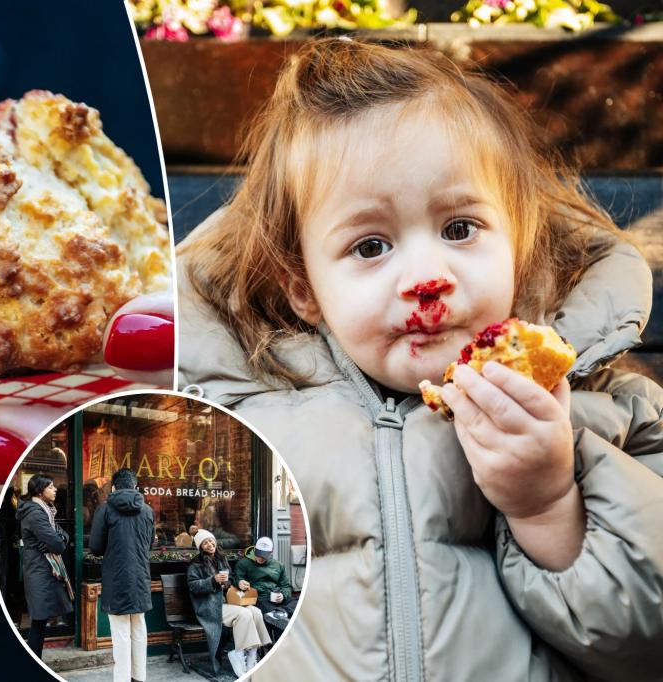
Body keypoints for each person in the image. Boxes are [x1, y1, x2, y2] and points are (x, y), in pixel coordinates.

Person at [177, 37, 663, 680]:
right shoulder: (241, 417)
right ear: (304, 288)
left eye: (459, 229)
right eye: (371, 245)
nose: (426, 276)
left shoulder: (612, 408)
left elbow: (645, 644)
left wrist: (546, 502)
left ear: (519, 243)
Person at [89, 468, 156, 682]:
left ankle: (122, 679)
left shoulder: (105, 510)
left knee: (120, 634)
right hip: (140, 577)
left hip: (116, 577)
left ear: (115, 486)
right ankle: (140, 677)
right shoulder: (147, 511)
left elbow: (96, 547)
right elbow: (150, 543)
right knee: (139, 630)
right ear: (135, 486)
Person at [187, 529, 272, 677]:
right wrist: (212, 580)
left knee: (255, 612)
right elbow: (193, 586)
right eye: (204, 543)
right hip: (210, 607)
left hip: (228, 602)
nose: (209, 544)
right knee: (244, 614)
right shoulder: (195, 565)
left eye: (210, 540)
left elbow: (231, 578)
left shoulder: (221, 559)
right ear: (200, 547)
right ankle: (238, 654)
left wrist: (237, 583)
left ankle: (252, 655)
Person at [16, 475, 73, 659]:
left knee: (40, 622)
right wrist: (58, 540)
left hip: (43, 568)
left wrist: (59, 539)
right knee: (39, 621)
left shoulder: (46, 511)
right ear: (40, 491)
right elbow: (58, 544)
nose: (55, 489)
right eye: (50, 486)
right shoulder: (35, 514)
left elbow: (62, 535)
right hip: (39, 571)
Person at [233, 537, 296, 617]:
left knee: (299, 602)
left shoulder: (278, 565)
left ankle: (281, 613)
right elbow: (235, 580)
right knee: (264, 606)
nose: (260, 558)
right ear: (255, 549)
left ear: (271, 552)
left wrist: (283, 595)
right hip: (258, 598)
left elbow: (286, 586)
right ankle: (279, 614)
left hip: (275, 596)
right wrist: (239, 582)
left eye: (264, 556)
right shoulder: (243, 563)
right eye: (258, 554)